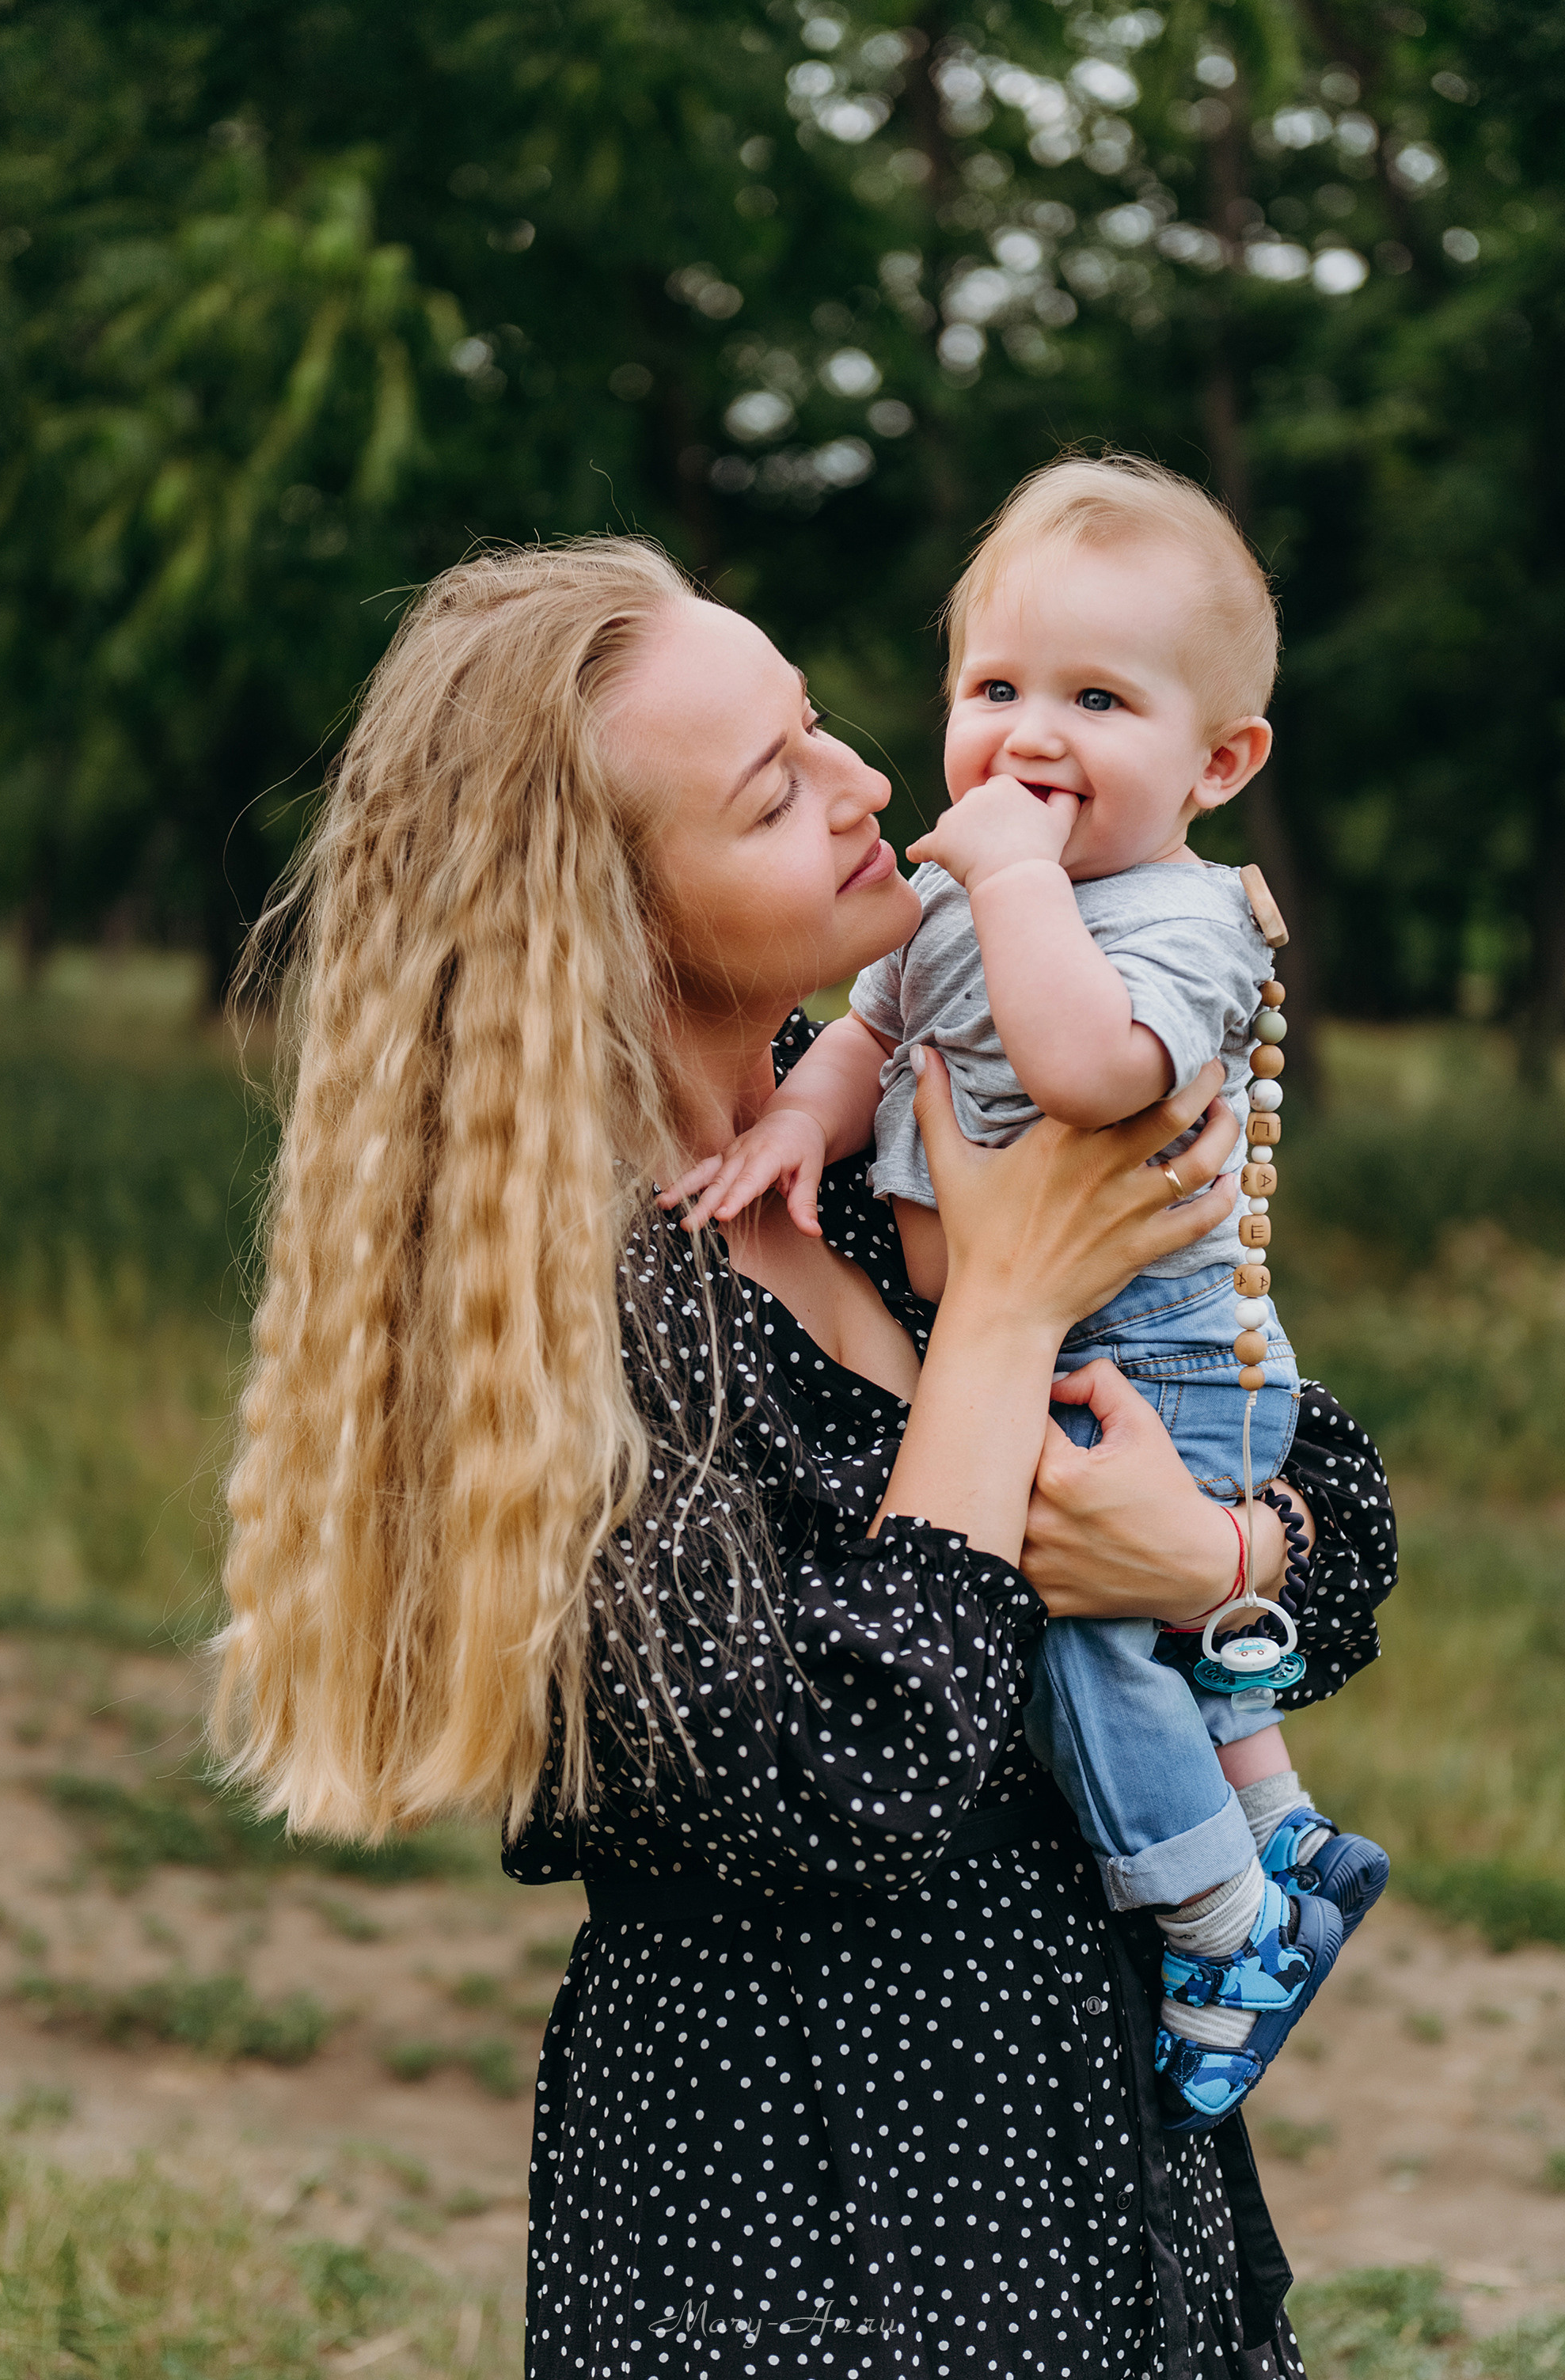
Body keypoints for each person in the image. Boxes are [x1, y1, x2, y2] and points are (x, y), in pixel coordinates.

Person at [213, 536, 1397, 2377]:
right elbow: (843, 1784)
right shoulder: (573, 1304)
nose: (870, 781)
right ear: (607, 914)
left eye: (821, 723)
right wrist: (1003, 1313)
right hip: (809, 2219)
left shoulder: (880, 1146)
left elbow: (1329, 1497)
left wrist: (1218, 1563)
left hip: (1106, 2156)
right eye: (772, 793)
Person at [669, 457, 1391, 2135]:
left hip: (1158, 1356)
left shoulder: (1182, 922)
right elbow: (870, 1036)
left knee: (1083, 1645)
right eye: (993, 689)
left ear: (1219, 764)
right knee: (1104, 1610)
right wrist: (801, 1120)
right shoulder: (946, 906)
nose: (1029, 736)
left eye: (1097, 700)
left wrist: (1004, 883)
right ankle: (1275, 1828)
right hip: (1055, 1345)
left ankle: (1224, 1919)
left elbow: (1085, 1072)